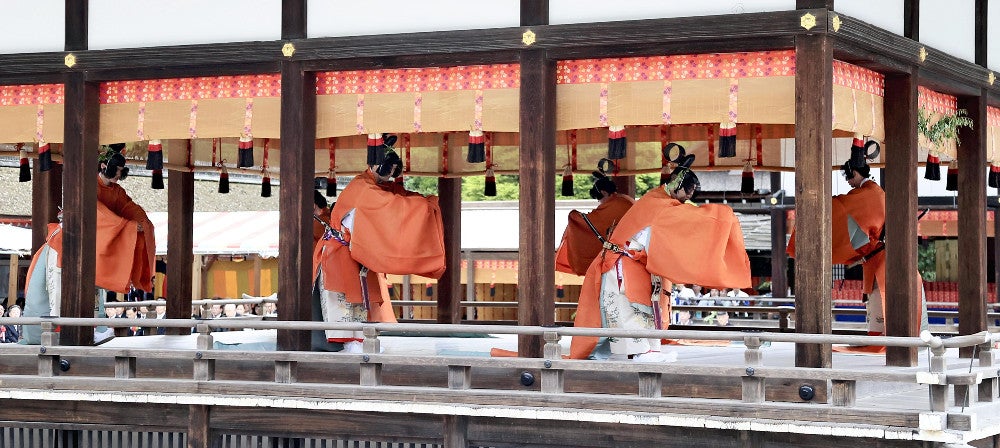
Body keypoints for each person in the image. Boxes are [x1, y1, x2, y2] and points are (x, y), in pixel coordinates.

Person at [570, 145, 752, 361]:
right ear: (676, 186)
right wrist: (722, 218)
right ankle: (637, 352)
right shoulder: (658, 204)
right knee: (627, 308)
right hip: (624, 262)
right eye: (686, 194)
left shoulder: (662, 202)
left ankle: (649, 349)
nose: (686, 201)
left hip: (638, 263)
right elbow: (682, 225)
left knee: (645, 308)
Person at [788, 138, 927, 352]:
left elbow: (841, 209)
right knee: (875, 303)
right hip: (876, 257)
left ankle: (886, 343)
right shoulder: (871, 193)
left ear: (854, 173)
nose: (848, 182)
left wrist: (819, 205)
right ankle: (884, 342)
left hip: (881, 259)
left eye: (848, 177)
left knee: (880, 302)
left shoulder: (870, 194)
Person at [312, 134, 446, 353]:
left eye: (394, 174)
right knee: (344, 307)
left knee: (360, 306)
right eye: (388, 172)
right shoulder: (363, 188)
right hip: (338, 255)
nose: (390, 179)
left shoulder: (374, 185)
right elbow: (393, 206)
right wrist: (423, 206)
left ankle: (357, 345)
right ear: (375, 165)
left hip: (354, 256)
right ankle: (344, 348)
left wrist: (424, 201)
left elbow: (397, 195)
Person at [22, 143, 156, 344]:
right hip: (65, 246)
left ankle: (90, 329)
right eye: (116, 171)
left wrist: (143, 223)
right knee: (56, 292)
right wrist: (127, 226)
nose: (118, 176)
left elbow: (131, 209)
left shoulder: (117, 191)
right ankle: (55, 333)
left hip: (91, 249)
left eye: (121, 172)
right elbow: (96, 213)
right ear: (103, 167)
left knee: (93, 291)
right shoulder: (87, 187)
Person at [555, 162, 635, 276]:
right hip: (630, 255)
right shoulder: (625, 200)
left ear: (603, 192)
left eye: (599, 198)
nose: (599, 202)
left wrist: (573, 217)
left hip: (619, 258)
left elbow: (593, 223)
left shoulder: (615, 205)